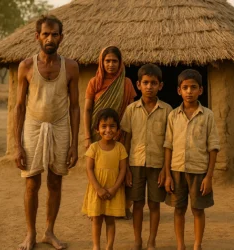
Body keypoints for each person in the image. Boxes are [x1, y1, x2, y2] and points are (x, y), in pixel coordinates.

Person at [14, 15, 80, 250]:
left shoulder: (71, 66)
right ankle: (30, 233)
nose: (50, 38)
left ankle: (49, 232)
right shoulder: (26, 66)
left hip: (60, 126)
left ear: (61, 37)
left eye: (54, 34)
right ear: (37, 37)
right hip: (33, 127)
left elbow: (74, 106)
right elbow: (19, 106)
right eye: (45, 34)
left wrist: (74, 144)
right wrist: (17, 145)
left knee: (55, 182)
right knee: (31, 184)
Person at [164, 69, 220, 250]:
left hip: (199, 171)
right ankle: (180, 245)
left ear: (201, 90)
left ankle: (197, 244)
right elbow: (168, 146)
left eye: (193, 87)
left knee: (197, 210)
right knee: (179, 209)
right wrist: (167, 174)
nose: (189, 91)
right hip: (177, 170)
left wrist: (209, 176)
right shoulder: (173, 115)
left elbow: (213, 147)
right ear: (179, 90)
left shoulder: (208, 116)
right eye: (185, 87)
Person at [120, 64, 173, 250]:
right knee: (137, 204)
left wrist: (166, 171)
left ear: (161, 86)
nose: (149, 86)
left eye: (153, 83)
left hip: (158, 165)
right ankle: (137, 240)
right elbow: (126, 140)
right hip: (135, 163)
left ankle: (151, 240)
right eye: (145, 83)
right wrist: (125, 168)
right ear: (138, 85)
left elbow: (169, 144)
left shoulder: (168, 111)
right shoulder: (131, 110)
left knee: (154, 204)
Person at [84, 46, 136, 219]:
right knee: (98, 171)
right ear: (102, 62)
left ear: (120, 63)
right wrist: (87, 137)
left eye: (114, 61)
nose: (111, 64)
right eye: (107, 61)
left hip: (119, 133)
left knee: (121, 171)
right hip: (98, 134)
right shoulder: (94, 83)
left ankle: (122, 207)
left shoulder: (126, 83)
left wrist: (127, 134)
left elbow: (130, 111)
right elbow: (87, 110)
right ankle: (96, 207)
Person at [82, 108, 128, 250]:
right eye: (104, 126)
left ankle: (109, 247)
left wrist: (114, 188)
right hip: (97, 190)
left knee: (110, 220)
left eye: (112, 126)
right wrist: (98, 188)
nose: (108, 130)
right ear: (97, 129)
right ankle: (96, 246)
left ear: (118, 129)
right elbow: (89, 169)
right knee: (96, 220)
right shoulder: (94, 148)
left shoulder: (120, 148)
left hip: (114, 190)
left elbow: (123, 169)